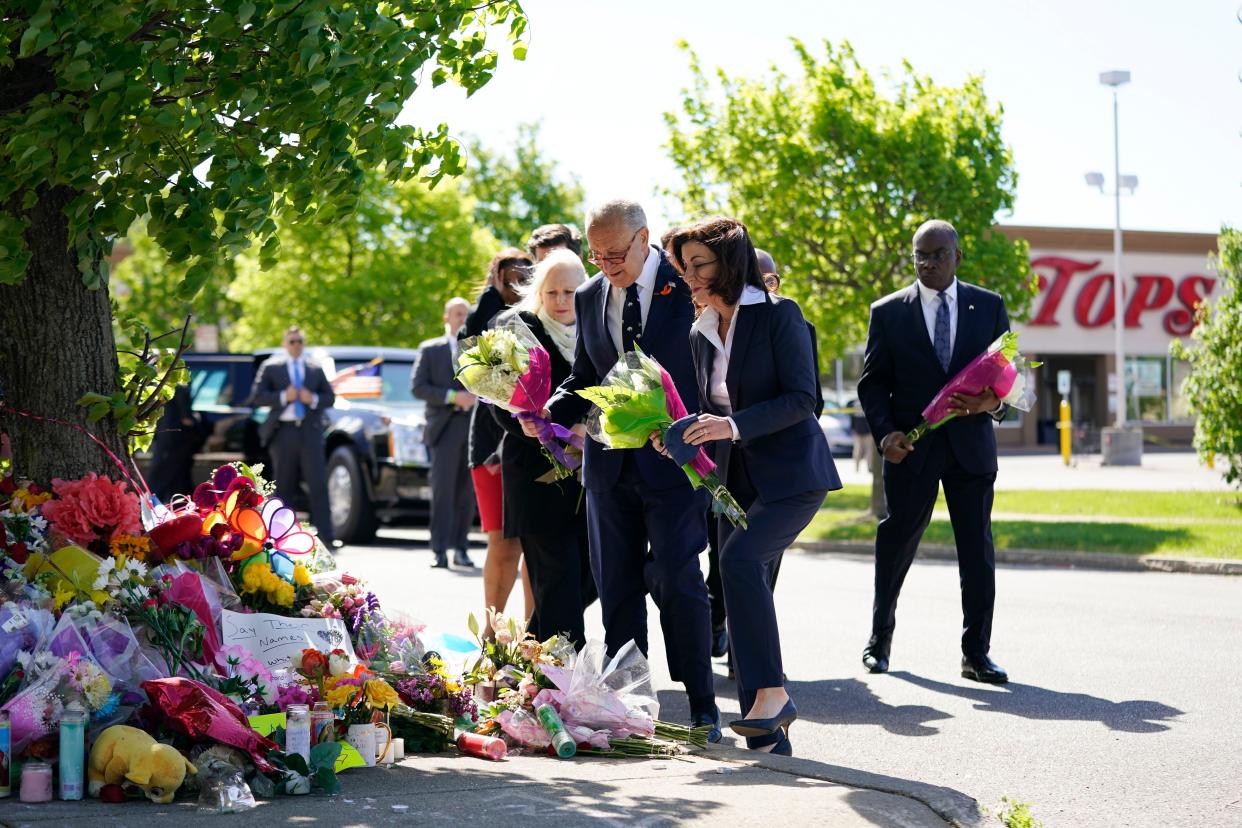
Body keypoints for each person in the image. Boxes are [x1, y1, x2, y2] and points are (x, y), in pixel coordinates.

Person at [527, 199, 722, 741]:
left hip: (673, 463)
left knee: (680, 581)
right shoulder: (590, 295)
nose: (606, 264)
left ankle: (704, 705)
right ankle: (628, 706)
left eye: (615, 253)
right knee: (616, 587)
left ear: (644, 239)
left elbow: (709, 368)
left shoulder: (688, 287)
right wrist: (546, 411)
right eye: (596, 254)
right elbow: (587, 374)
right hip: (609, 468)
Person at [664, 216, 840, 755]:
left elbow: (801, 399)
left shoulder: (780, 316)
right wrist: (677, 431)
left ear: (729, 262)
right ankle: (765, 737)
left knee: (740, 564)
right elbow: (709, 407)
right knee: (735, 575)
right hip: (732, 481)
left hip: (793, 476)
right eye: (683, 266)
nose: (689, 276)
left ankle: (773, 696)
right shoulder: (700, 329)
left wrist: (731, 426)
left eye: (699, 264)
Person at [856, 219, 1011, 684]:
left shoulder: (989, 306)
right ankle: (878, 641)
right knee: (896, 542)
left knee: (976, 553)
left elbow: (1007, 378)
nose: (928, 262)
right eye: (920, 255)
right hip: (911, 452)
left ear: (957, 256)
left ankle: (976, 654)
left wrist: (992, 402)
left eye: (938, 254)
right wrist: (885, 436)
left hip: (971, 451)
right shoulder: (888, 312)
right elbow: (873, 383)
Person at [492, 249, 597, 647]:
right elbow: (501, 403)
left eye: (570, 292)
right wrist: (534, 428)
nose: (560, 301)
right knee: (557, 577)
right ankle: (568, 677)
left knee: (584, 578)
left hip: (588, 477)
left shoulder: (598, 328)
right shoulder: (520, 330)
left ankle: (529, 656)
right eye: (551, 292)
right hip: (534, 476)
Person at [464, 249, 536, 622]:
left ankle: (532, 637)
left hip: (536, 442)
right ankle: (492, 636)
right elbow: (466, 353)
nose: (516, 281)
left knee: (536, 544)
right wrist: (491, 293)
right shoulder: (487, 312)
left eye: (526, 273)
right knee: (502, 542)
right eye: (508, 275)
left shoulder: (543, 311)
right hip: (491, 441)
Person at [250, 326, 337, 546]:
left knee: (317, 483)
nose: (296, 345)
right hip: (283, 431)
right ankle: (279, 536)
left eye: (299, 341)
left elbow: (330, 398)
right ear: (284, 344)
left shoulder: (315, 368)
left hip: (309, 430)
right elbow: (257, 396)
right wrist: (282, 396)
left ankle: (327, 536)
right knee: (284, 485)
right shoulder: (272, 367)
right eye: (292, 341)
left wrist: (313, 399)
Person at [411, 298, 477, 569]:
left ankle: (461, 548)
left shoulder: (477, 349)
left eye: (465, 314)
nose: (462, 318)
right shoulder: (430, 349)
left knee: (466, 494)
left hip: (471, 429)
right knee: (442, 493)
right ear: (446, 317)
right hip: (443, 430)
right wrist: (452, 396)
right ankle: (439, 550)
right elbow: (418, 387)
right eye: (457, 314)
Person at [146, 383, 201, 503]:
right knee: (175, 481)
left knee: (161, 480)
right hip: (177, 442)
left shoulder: (157, 387)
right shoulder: (180, 389)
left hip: (163, 440)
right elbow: (187, 419)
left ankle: (152, 508)